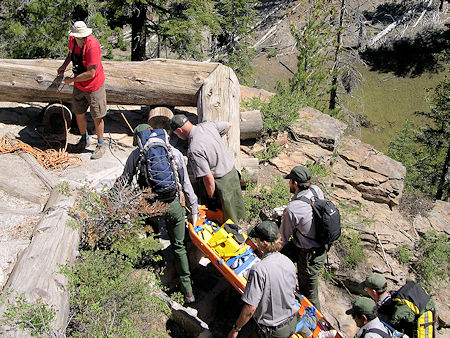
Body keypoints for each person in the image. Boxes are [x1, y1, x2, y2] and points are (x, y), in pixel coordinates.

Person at [119, 124, 199, 303]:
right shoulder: (173, 152)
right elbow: (186, 184)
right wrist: (193, 209)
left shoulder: (136, 155)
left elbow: (125, 180)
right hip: (173, 206)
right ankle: (188, 291)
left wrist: (113, 200)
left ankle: (156, 271)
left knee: (151, 238)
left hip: (150, 207)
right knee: (179, 246)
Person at [228, 221, 299, 338]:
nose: (255, 242)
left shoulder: (259, 269)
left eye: (256, 239)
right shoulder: (288, 261)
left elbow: (250, 308)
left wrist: (236, 329)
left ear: (264, 243)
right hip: (292, 321)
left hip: (273, 330)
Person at [170, 114, 245, 223]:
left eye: (176, 134)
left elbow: (208, 178)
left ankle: (232, 235)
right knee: (235, 208)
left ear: (180, 130)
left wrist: (211, 197)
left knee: (228, 220)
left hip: (221, 182)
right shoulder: (208, 126)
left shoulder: (194, 149)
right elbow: (228, 125)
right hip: (232, 172)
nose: (178, 136)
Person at [57, 21, 107, 159]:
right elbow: (71, 54)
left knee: (97, 115)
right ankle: (84, 139)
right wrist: (64, 66)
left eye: (84, 36)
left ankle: (101, 144)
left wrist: (71, 81)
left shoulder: (92, 46)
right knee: (78, 113)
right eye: (80, 37)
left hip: (94, 85)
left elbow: (91, 73)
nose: (83, 39)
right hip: (79, 85)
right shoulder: (72, 41)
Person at [280, 165, 326, 311]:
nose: (288, 183)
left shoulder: (294, 208)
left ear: (294, 183)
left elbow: (283, 238)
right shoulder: (316, 190)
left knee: (310, 293)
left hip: (309, 254)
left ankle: (316, 324)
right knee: (284, 257)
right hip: (316, 243)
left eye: (290, 181)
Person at [361, 273, 434, 337]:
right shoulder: (396, 298)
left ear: (374, 292)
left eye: (366, 288)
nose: (366, 290)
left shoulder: (384, 312)